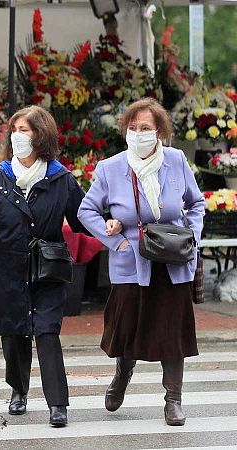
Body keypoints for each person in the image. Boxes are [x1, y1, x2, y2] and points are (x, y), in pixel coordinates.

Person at [77, 97, 204, 426]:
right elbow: (86, 211)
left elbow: (196, 203)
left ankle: (173, 399)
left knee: (173, 332)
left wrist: (192, 236)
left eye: (145, 128)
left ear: (159, 131)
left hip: (174, 261)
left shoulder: (175, 161)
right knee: (127, 327)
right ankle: (123, 374)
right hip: (132, 260)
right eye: (132, 128)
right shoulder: (110, 168)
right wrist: (116, 242)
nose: (138, 134)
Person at [0, 105, 87, 427]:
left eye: (26, 130)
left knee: (47, 332)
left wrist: (114, 225)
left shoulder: (60, 178)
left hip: (47, 267)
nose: (18, 136)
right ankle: (18, 390)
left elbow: (83, 219)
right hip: (6, 268)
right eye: (15, 129)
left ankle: (57, 404)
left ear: (41, 135)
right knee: (14, 333)